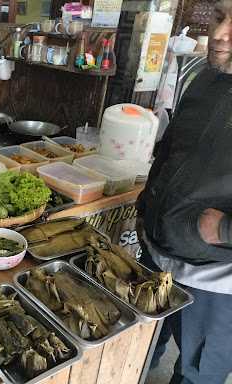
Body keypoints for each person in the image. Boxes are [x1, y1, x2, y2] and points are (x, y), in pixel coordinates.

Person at [137, 1, 232, 383]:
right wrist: (146, 207)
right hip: (157, 256)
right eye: (222, 17)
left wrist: (226, 229)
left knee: (194, 374)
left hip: (216, 284)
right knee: (141, 350)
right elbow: (171, 149)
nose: (220, 35)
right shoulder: (206, 78)